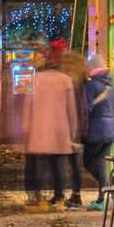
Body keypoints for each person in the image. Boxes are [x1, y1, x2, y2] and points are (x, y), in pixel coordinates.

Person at [19, 42, 81, 209]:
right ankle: (60, 199)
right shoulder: (65, 80)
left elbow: (27, 105)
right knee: (57, 164)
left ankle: (40, 200)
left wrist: (26, 126)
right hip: (60, 129)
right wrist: (73, 129)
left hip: (39, 128)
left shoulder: (34, 79)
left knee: (39, 163)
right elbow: (71, 109)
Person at [81, 57, 114, 209]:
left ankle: (109, 189)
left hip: (97, 130)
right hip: (110, 129)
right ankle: (101, 199)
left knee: (87, 161)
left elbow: (86, 109)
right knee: (100, 163)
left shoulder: (91, 85)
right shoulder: (111, 85)